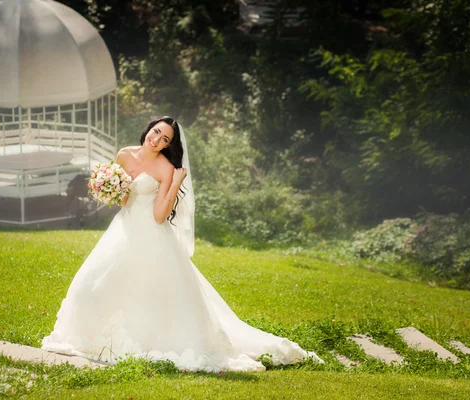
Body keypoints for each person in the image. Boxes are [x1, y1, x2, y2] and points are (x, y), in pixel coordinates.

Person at [42, 117, 323, 372]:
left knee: (148, 294)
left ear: (169, 145)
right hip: (123, 230)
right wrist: (111, 187)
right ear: (147, 130)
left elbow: (159, 215)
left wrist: (175, 182)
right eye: (156, 133)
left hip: (151, 234)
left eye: (165, 139)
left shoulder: (166, 168)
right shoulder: (124, 154)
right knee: (90, 284)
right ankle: (89, 335)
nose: (157, 140)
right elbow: (125, 201)